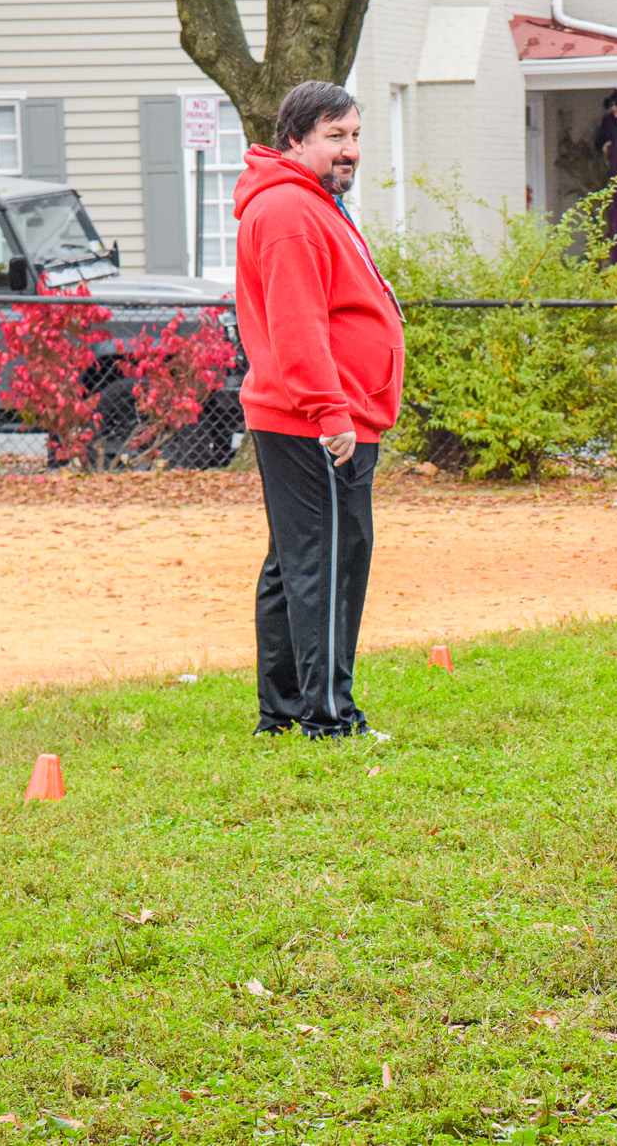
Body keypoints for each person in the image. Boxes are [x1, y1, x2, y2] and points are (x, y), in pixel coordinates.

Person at [231, 81, 405, 739]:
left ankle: (282, 713)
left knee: (296, 564)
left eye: (356, 135)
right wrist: (334, 414)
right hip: (315, 423)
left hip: (310, 417)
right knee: (328, 564)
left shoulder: (311, 203)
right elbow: (298, 327)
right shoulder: (289, 212)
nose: (350, 149)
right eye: (335, 136)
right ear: (297, 139)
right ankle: (329, 719)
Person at [595, 92, 617, 267]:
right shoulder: (608, 122)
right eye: (613, 106)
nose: (615, 110)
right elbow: (599, 141)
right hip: (614, 168)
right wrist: (605, 146)